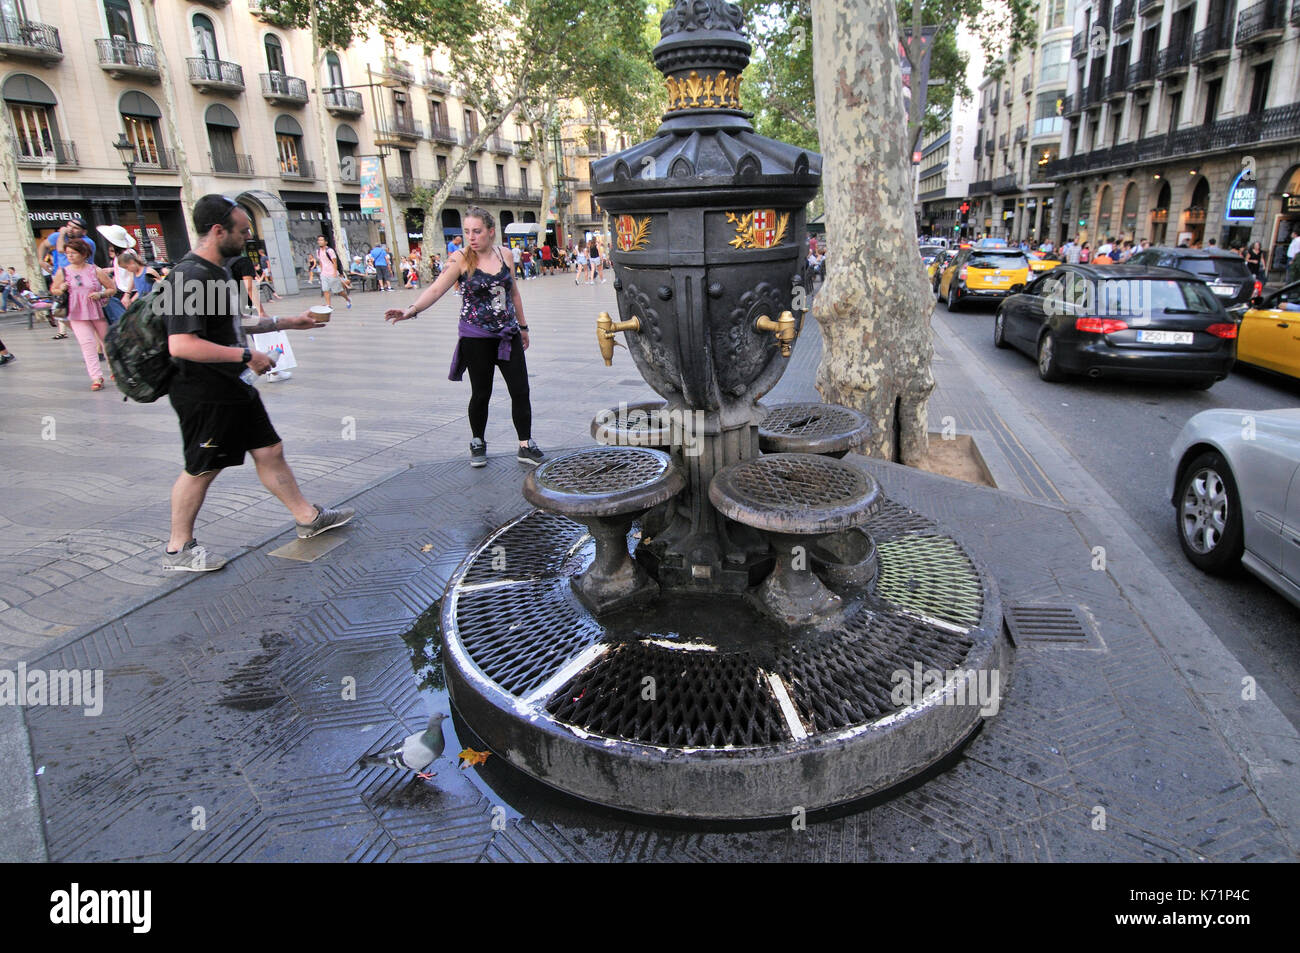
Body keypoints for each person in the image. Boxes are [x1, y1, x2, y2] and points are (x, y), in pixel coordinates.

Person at [159, 194, 352, 572]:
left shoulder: (216, 271)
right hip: (203, 391)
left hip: (234, 386)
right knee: (202, 467)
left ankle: (308, 518)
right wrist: (247, 356)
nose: (248, 237)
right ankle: (178, 549)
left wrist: (286, 322)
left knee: (269, 450)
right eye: (243, 230)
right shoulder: (188, 276)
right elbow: (182, 344)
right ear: (218, 231)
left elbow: (228, 327)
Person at [385, 206, 543, 469]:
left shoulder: (505, 254)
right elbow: (436, 289)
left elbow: (513, 292)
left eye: (477, 231)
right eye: (467, 231)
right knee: (481, 393)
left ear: (491, 232)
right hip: (476, 337)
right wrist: (410, 310)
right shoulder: (459, 259)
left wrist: (523, 327)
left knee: (521, 390)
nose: (471, 237)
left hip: (508, 333)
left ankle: (525, 445)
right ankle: (478, 441)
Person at [50, 238, 116, 390]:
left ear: (84, 254)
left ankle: (115, 371)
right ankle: (96, 377)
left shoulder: (95, 270)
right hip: (76, 312)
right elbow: (54, 290)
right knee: (87, 344)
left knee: (107, 342)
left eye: (73, 253)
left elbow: (112, 288)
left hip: (96, 310)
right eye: (68, 253)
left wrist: (100, 294)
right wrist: (61, 288)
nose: (70, 256)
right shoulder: (64, 271)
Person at [312, 235, 351, 309]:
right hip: (324, 274)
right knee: (325, 290)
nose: (319, 242)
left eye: (321, 240)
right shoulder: (318, 251)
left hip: (332, 273)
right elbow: (320, 261)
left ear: (326, 242)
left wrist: (334, 273)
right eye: (319, 240)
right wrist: (321, 271)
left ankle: (347, 299)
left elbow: (335, 262)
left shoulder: (330, 251)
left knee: (338, 291)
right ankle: (329, 305)